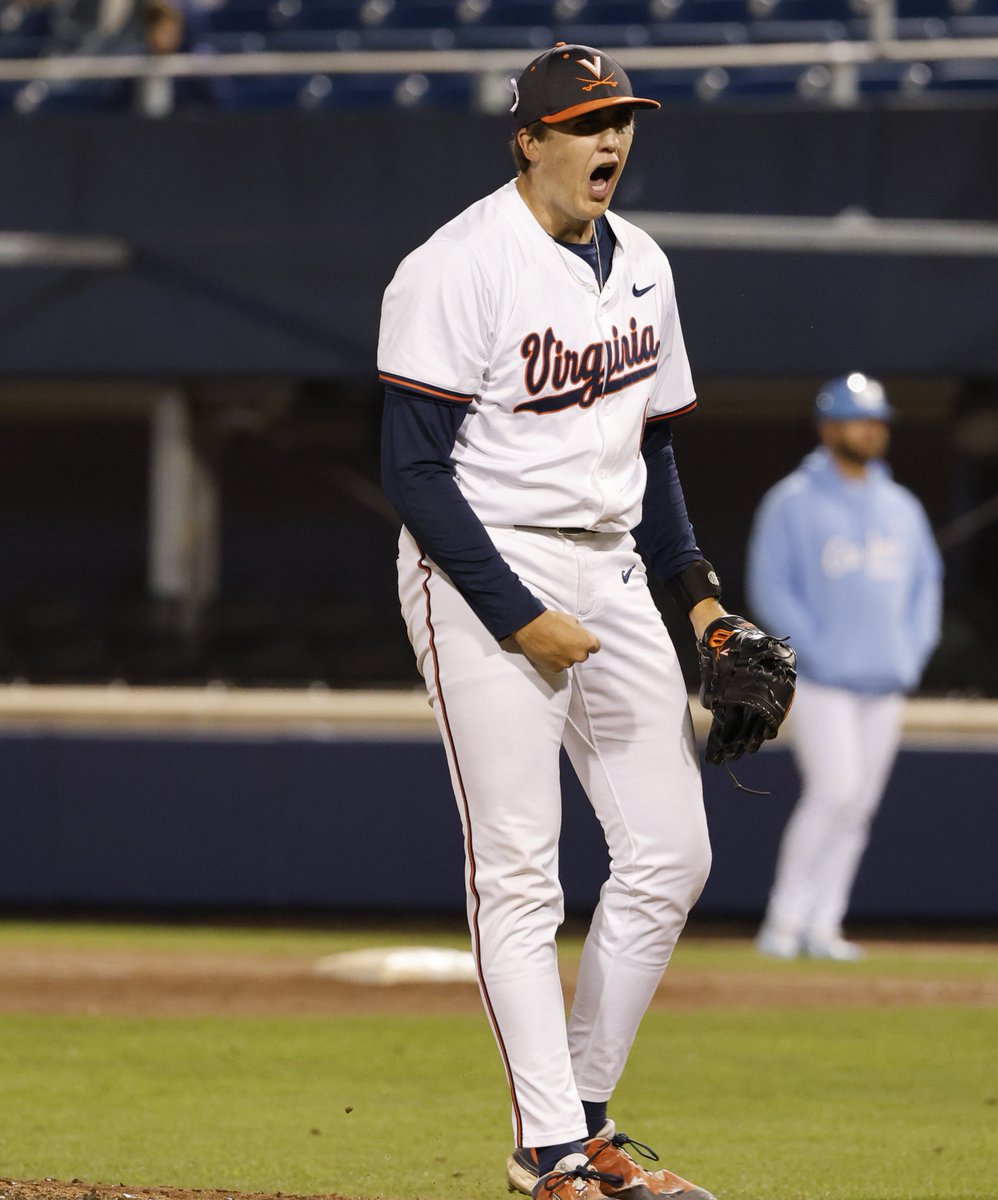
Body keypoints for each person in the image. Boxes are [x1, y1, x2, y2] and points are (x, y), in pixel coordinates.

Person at [378, 41, 779, 1200]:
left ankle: (585, 1117)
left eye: (623, 120)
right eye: (587, 122)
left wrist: (697, 599)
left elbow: (652, 449)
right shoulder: (457, 264)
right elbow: (412, 473)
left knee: (672, 855)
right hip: (479, 569)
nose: (612, 140)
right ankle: (547, 1149)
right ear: (530, 138)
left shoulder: (644, 262)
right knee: (519, 873)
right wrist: (513, 615)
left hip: (609, 567)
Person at [747, 374, 943, 962]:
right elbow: (771, 587)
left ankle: (823, 925)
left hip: (885, 679)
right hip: (822, 679)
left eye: (878, 419)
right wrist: (816, 652)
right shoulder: (792, 501)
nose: (872, 429)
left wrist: (912, 651)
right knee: (835, 791)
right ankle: (783, 922)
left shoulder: (901, 505)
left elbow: (925, 587)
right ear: (828, 427)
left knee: (858, 805)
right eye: (860, 419)